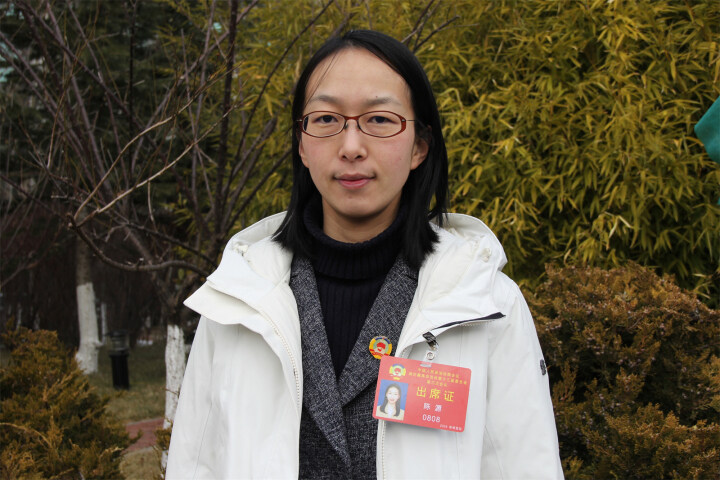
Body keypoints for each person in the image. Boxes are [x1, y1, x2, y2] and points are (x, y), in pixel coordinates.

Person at [166, 29, 564, 479]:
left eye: (379, 119)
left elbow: (524, 466)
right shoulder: (240, 302)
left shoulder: (484, 304)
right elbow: (196, 465)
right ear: (301, 144)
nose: (351, 147)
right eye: (325, 119)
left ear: (419, 146)